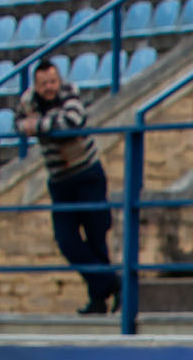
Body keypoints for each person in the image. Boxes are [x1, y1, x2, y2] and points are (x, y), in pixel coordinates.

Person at [13, 61, 116, 316]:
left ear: (59, 81)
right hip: (60, 179)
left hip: (87, 173)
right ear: (35, 86)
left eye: (52, 82)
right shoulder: (28, 102)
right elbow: (18, 124)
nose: (49, 88)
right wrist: (43, 124)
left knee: (96, 237)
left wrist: (38, 125)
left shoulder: (70, 92)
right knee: (66, 241)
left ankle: (99, 300)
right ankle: (114, 284)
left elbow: (72, 121)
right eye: (44, 84)